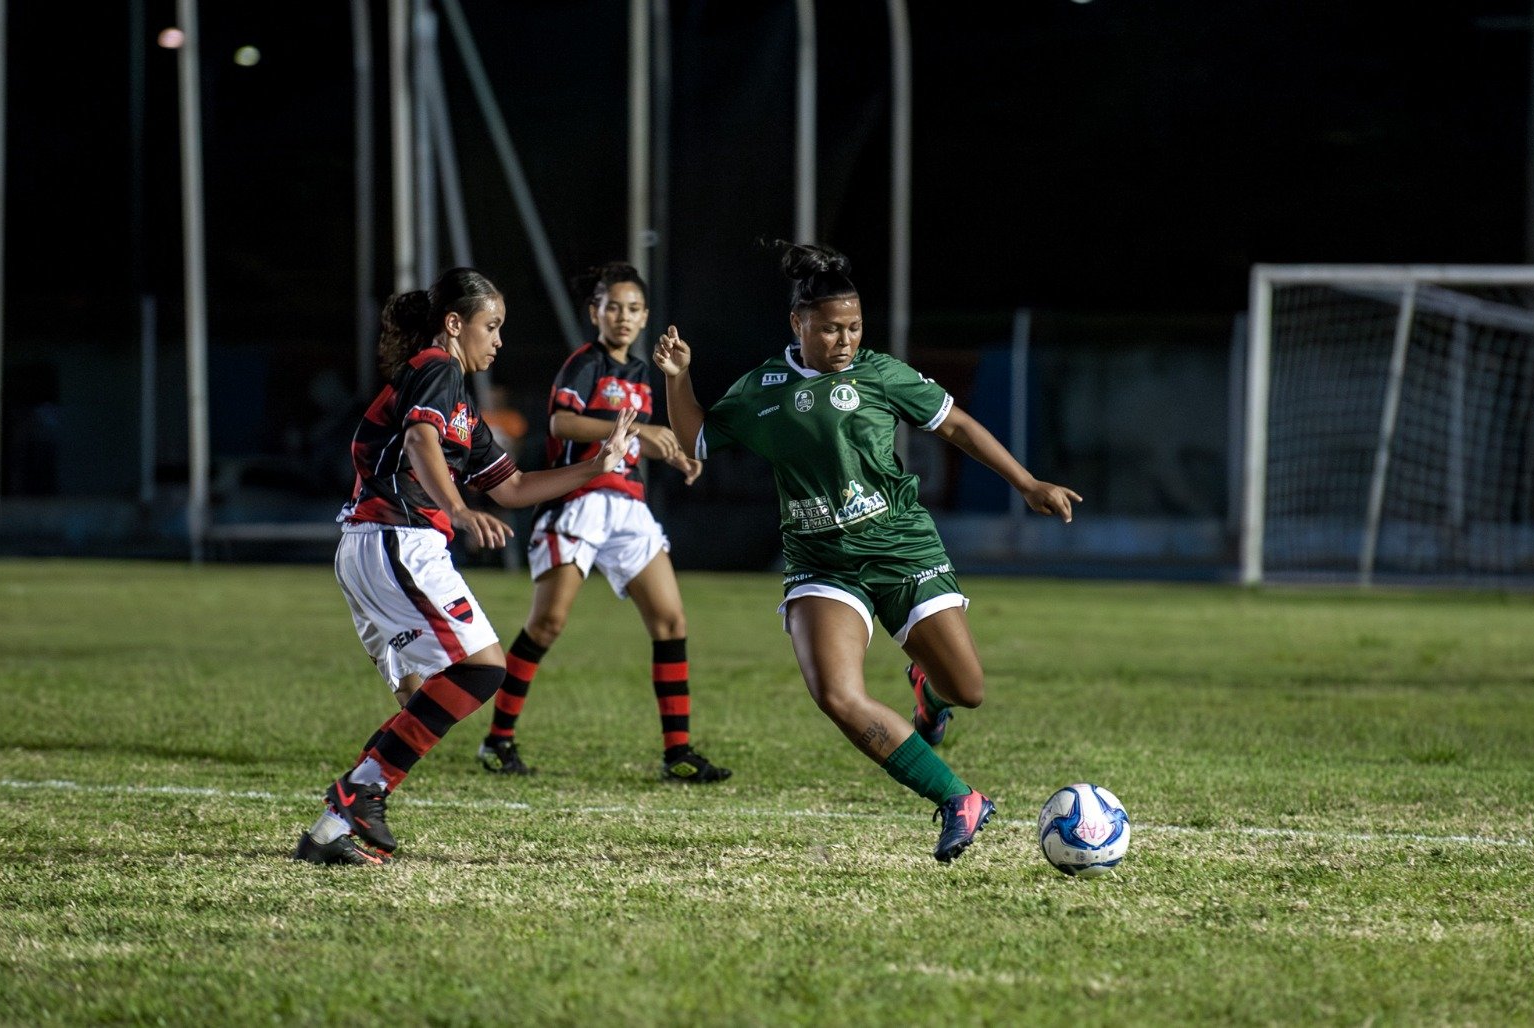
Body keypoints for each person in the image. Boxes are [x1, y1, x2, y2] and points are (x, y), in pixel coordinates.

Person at [652, 242, 1080, 862]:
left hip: (902, 547)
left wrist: (1028, 482)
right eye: (830, 328)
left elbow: (956, 424)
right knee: (836, 694)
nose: (845, 339)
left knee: (968, 689)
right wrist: (678, 378)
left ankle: (928, 693)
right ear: (797, 324)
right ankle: (958, 799)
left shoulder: (881, 375)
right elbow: (694, 439)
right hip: (819, 562)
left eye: (853, 327)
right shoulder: (763, 388)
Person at [294, 267, 636, 866]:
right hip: (397, 539)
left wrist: (599, 464)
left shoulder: (464, 413)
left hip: (377, 548)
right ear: (455, 325)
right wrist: (457, 508)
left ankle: (329, 831)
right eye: (492, 326)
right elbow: (422, 443)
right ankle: (359, 791)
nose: (498, 341)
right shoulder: (436, 368)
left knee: (424, 695)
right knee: (482, 670)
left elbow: (515, 487)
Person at [476, 262, 731, 784]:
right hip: (578, 500)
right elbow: (562, 423)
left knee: (671, 622)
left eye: (633, 309)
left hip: (628, 507)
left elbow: (635, 442)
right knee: (547, 624)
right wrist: (647, 433)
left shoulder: (642, 375)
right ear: (594, 312)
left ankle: (677, 753)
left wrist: (674, 453)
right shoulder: (585, 364)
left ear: (645, 319)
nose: (623, 316)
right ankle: (497, 740)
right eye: (612, 306)